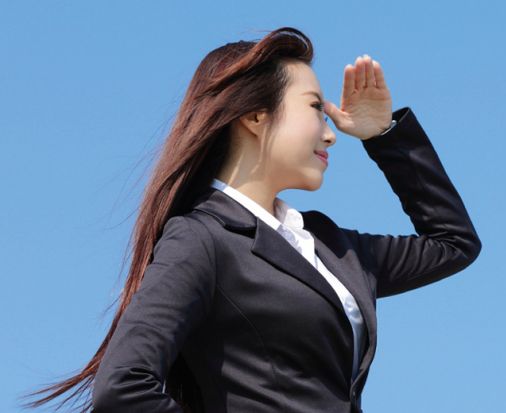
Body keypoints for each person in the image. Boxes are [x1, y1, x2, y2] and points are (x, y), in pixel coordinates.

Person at [19, 26, 481, 413]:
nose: (330, 131)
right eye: (316, 107)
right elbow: (122, 387)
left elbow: (453, 242)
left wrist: (384, 134)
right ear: (256, 116)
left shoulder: (330, 245)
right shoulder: (202, 239)